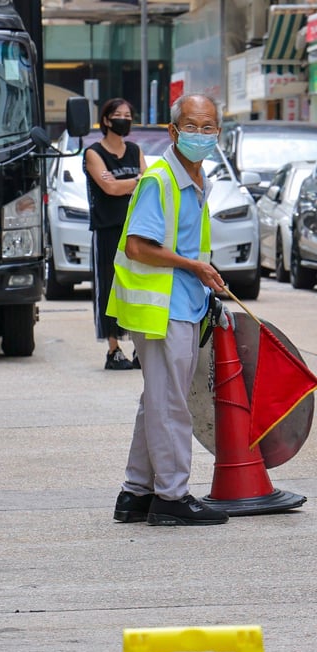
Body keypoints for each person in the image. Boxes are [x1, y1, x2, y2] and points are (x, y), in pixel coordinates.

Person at [108, 93, 230, 527]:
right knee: (171, 405)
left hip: (183, 305)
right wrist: (194, 266)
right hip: (163, 310)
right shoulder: (159, 179)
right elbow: (137, 245)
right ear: (173, 131)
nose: (202, 135)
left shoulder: (197, 180)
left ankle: (136, 494)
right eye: (192, 126)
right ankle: (172, 498)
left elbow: (188, 246)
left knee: (158, 401)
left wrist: (203, 274)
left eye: (209, 126)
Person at [83, 98, 147, 370]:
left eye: (128, 114)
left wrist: (125, 184)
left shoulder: (135, 150)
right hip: (107, 230)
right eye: (119, 114)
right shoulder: (93, 152)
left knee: (137, 285)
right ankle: (113, 349)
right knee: (108, 287)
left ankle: (139, 347)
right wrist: (136, 182)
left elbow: (148, 184)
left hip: (135, 229)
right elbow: (109, 189)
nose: (125, 119)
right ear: (106, 120)